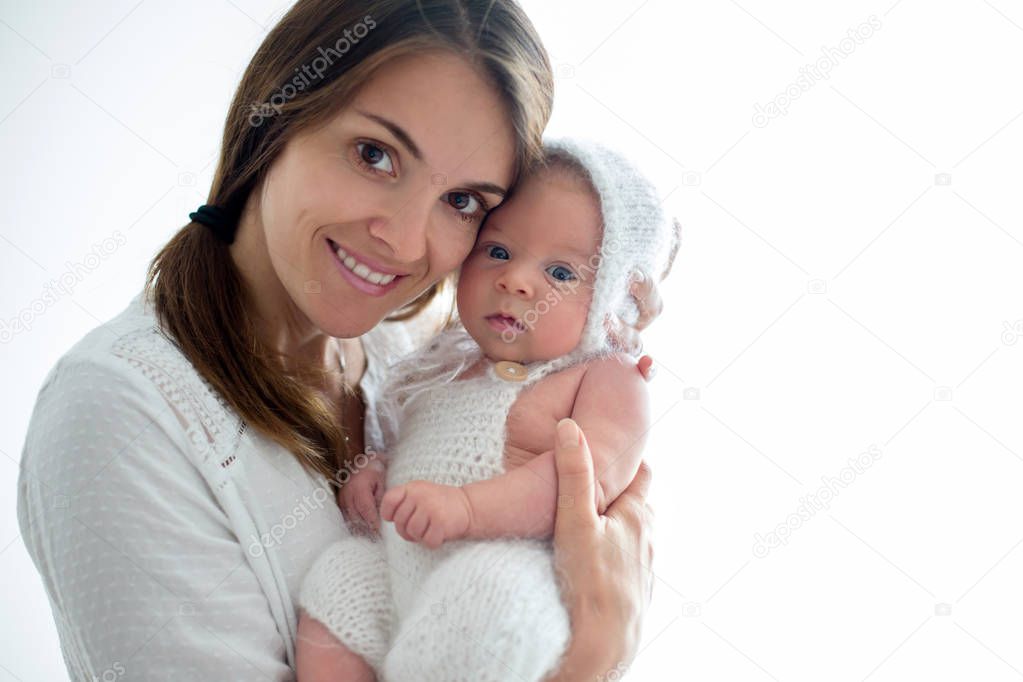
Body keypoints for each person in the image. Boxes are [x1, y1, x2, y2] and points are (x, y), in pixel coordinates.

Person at [16, 1, 666, 680]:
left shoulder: (409, 360)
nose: (407, 240)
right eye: (374, 155)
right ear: (273, 116)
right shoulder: (117, 414)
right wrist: (590, 657)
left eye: (463, 201)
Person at [295, 137, 677, 681]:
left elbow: (581, 488)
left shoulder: (607, 378)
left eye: (561, 274)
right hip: (406, 576)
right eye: (497, 251)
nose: (516, 281)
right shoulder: (445, 358)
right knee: (339, 578)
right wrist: (378, 469)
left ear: (615, 300)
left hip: (516, 575)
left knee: (487, 591)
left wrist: (468, 510)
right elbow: (411, 439)